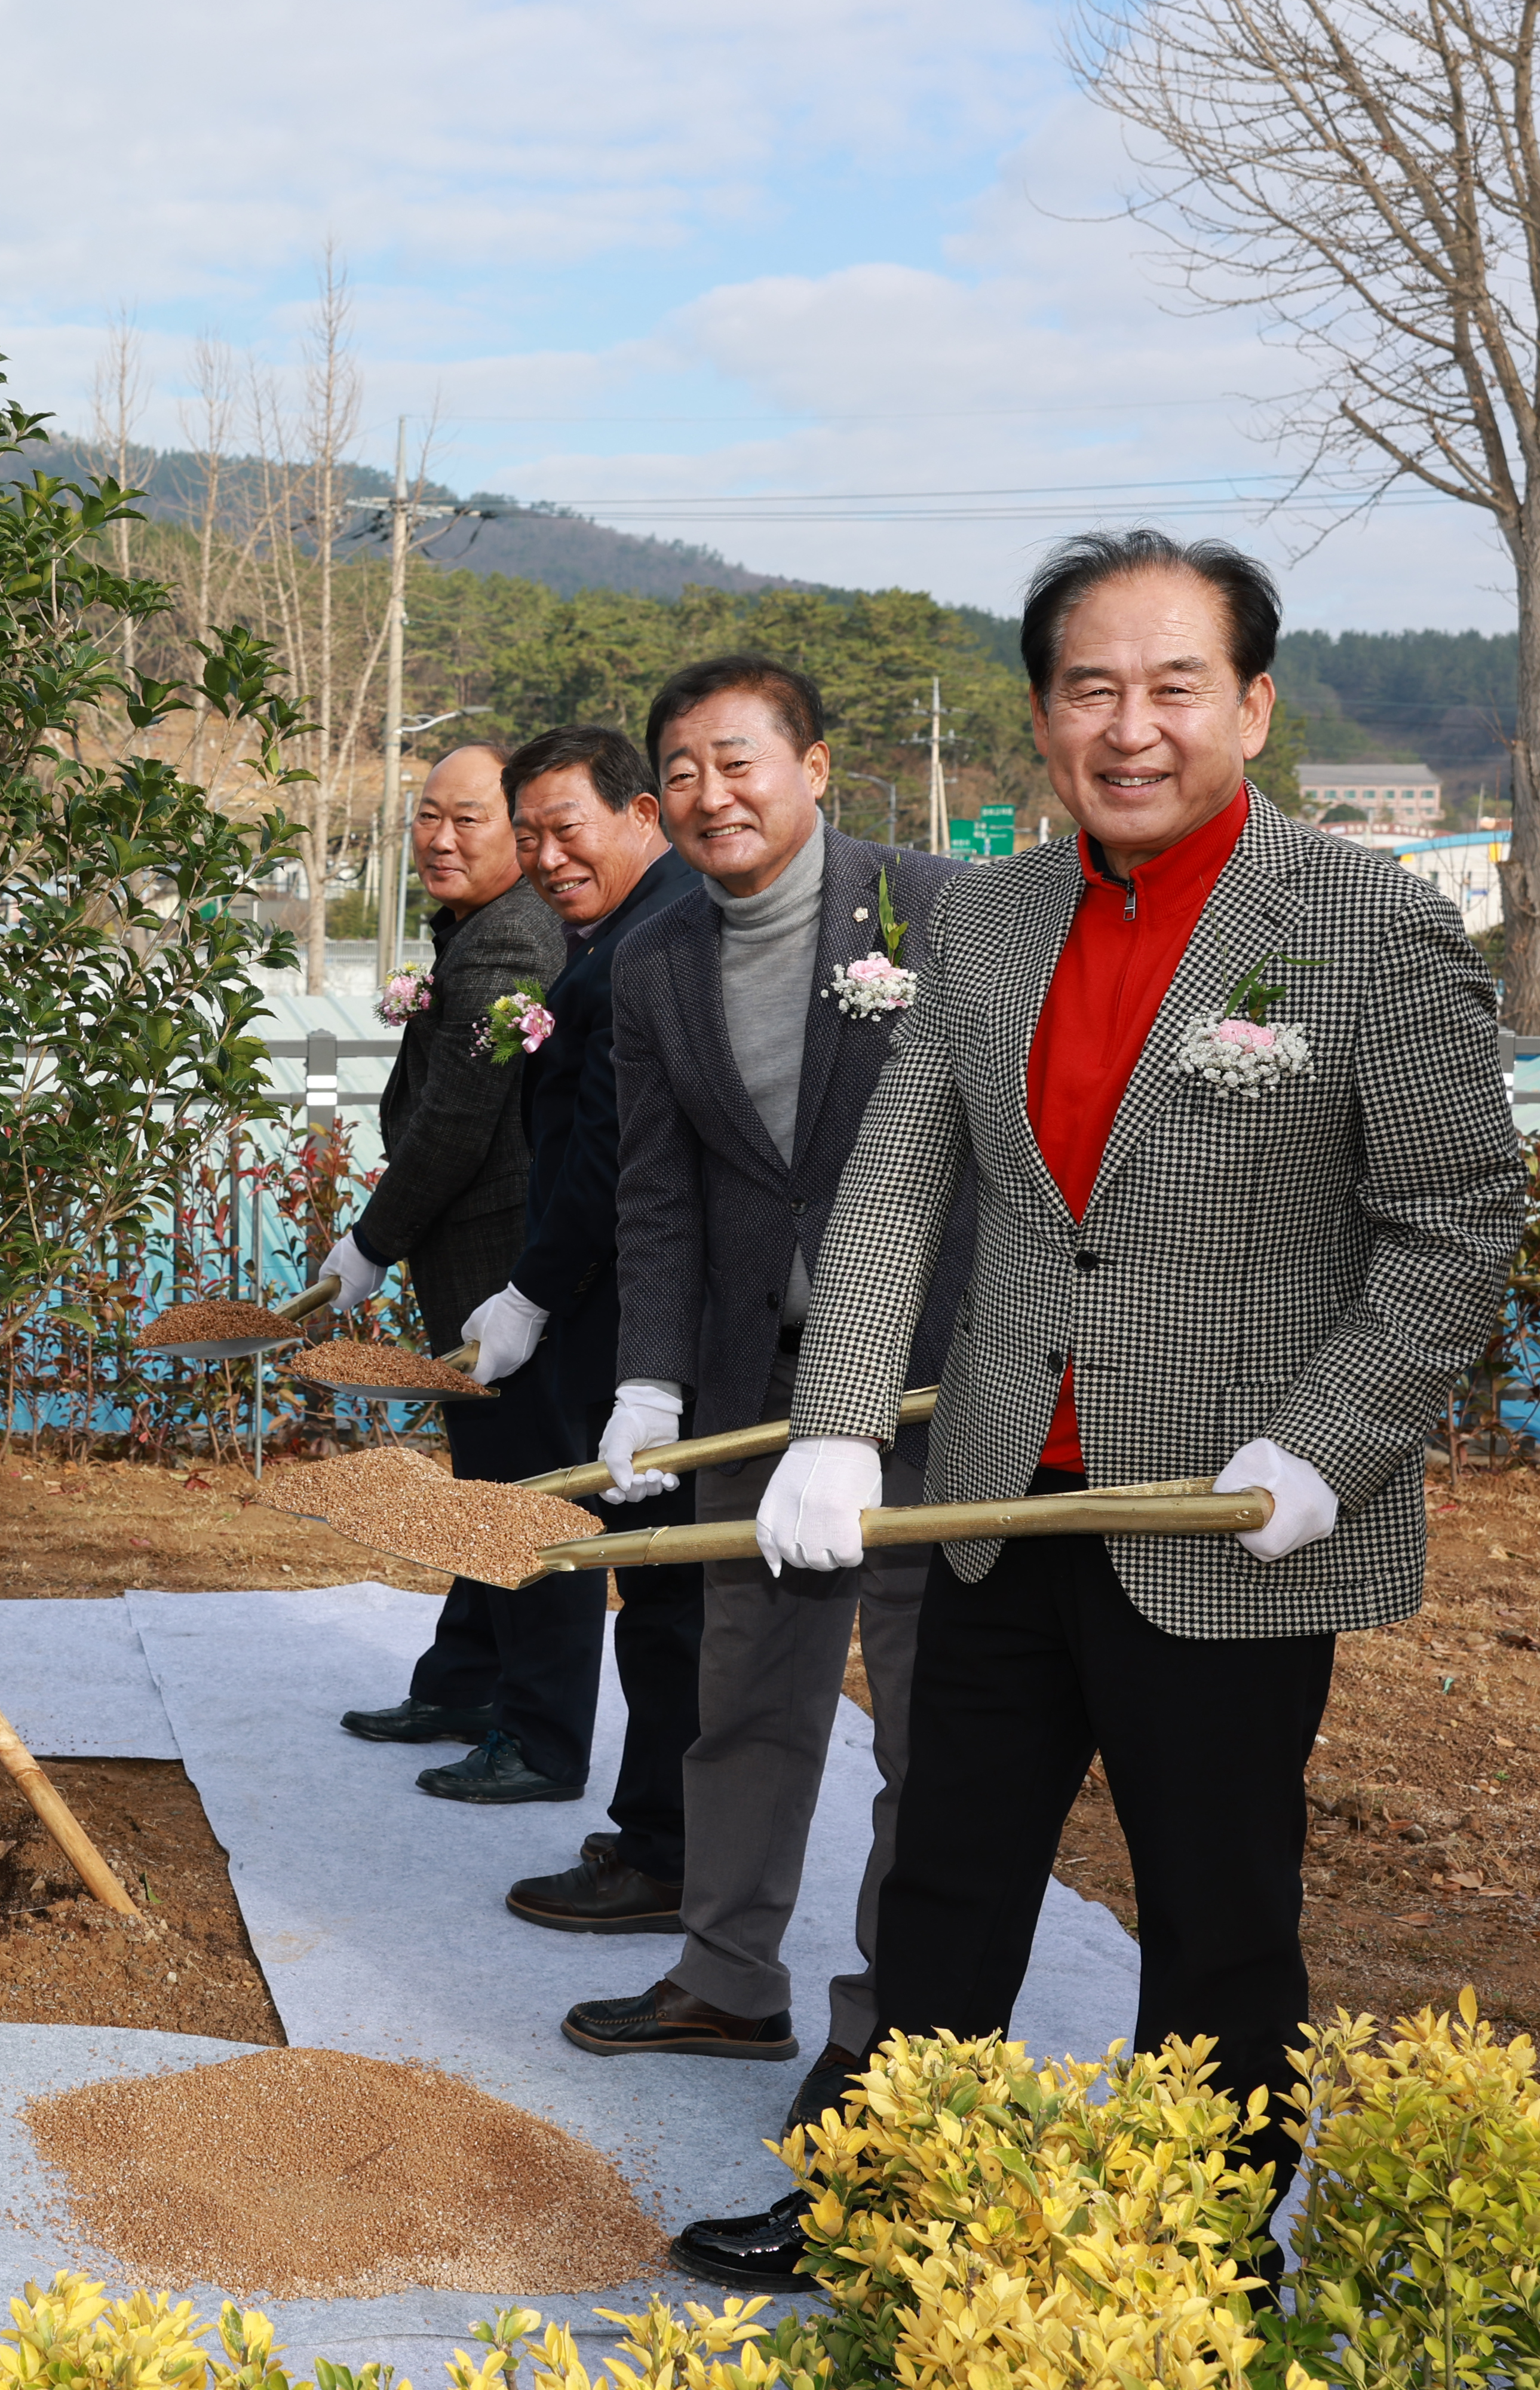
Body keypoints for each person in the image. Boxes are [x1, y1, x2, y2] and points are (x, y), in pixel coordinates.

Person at [673, 531, 1518, 2290]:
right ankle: (887, 2201)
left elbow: (1457, 1219)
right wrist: (837, 1418)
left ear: (1253, 708)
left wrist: (1329, 1442)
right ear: (1045, 715)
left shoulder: (1367, 921)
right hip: (1001, 1492)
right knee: (946, 1877)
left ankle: (1198, 2251)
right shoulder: (987, 915)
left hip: (1229, 1506)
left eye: (1173, 686)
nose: (1131, 727)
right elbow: (900, 1180)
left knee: (1218, 1911)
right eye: (1090, 689)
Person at [545, 657, 970, 2099]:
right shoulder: (661, 957)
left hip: (929, 1387)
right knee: (745, 1701)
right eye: (681, 770)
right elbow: (658, 1195)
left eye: (738, 760)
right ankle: (727, 1978)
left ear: (815, 767)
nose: (709, 793)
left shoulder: (937, 906)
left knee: (928, 1717)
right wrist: (649, 1382)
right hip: (750, 1386)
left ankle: (892, 2021)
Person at [424, 726, 705, 1822]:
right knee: (640, 1576)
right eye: (530, 834)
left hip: (636, 1310)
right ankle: (641, 1826)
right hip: (596, 1297)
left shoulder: (653, 942)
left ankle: (655, 1839)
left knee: (656, 1587)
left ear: (642, 815)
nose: (547, 858)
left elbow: (605, 1155)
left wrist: (530, 1293)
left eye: (565, 829)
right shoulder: (617, 935)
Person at [326, 742, 572, 1749]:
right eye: (429, 815)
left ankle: (538, 1732)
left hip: (503, 1260)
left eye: (468, 819)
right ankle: (463, 1682)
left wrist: (371, 1240)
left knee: (523, 1492)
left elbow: (458, 1121)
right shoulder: (475, 927)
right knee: (485, 1480)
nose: (440, 838)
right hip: (472, 1253)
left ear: (521, 832)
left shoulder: (512, 938)